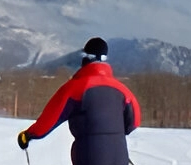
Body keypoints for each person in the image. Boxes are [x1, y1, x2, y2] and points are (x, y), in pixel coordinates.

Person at [17, 37, 141, 165]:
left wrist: (28, 135)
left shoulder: (75, 88)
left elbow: (49, 119)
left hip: (89, 157)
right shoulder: (123, 90)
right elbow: (134, 122)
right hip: (119, 158)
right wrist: (113, 133)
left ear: (85, 58)